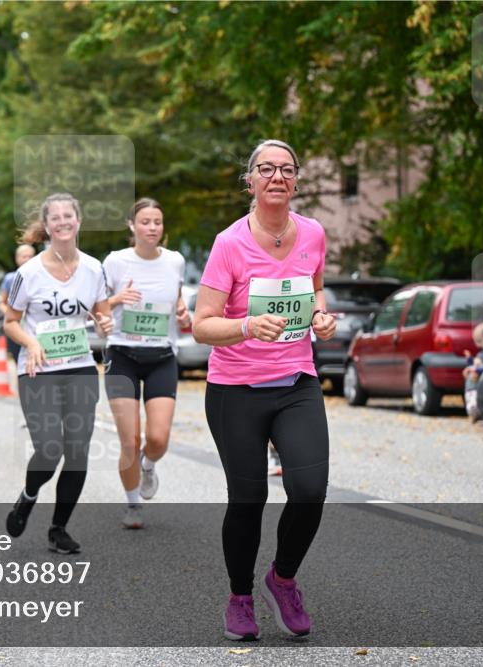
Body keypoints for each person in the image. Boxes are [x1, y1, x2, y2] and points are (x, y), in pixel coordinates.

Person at [193, 139, 336, 641]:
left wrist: (320, 315)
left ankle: (284, 577)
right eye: (266, 169)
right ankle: (240, 597)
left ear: (296, 181)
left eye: (287, 169)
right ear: (250, 181)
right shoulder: (229, 243)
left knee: (310, 491)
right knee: (248, 499)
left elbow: (315, 284)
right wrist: (248, 327)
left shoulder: (313, 233)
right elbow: (202, 326)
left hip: (296, 382)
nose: (277, 176)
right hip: (235, 389)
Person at [3, 192, 113, 554]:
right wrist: (32, 344)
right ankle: (29, 494)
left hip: (79, 367)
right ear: (47, 225)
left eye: (69, 215)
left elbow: (100, 314)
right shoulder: (28, 273)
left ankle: (58, 528)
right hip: (38, 370)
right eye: (56, 217)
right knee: (49, 448)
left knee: (78, 451)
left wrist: (106, 322)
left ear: (78, 221)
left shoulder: (94, 269)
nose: (63, 221)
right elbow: (10, 323)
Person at [102, 198, 190, 529]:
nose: (152, 227)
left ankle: (148, 465)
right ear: (132, 226)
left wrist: (182, 311)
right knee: (130, 439)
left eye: (157, 222)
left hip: (161, 356)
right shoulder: (115, 262)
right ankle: (134, 503)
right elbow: (94, 308)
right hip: (122, 355)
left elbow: (177, 300)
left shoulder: (176, 261)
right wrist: (116, 300)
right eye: (145, 222)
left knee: (158, 437)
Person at [0, 244, 37, 362]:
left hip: (35, 328)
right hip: (17, 327)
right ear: (17, 259)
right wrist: (13, 314)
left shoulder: (40, 277)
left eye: (30, 256)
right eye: (24, 256)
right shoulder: (11, 278)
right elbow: (1, 303)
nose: (27, 259)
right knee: (20, 360)